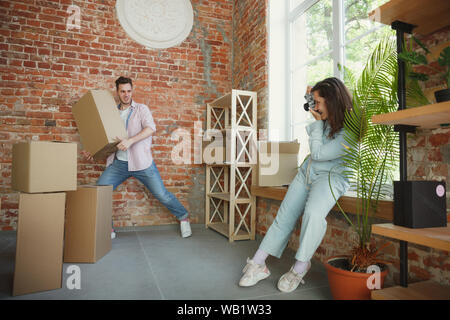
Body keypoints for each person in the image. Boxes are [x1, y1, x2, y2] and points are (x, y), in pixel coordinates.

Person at [238, 77, 353, 293]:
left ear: (332, 101)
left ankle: (300, 267)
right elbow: (315, 157)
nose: (314, 108)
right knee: (285, 214)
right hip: (307, 172)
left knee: (312, 213)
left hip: (331, 177)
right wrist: (311, 97)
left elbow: (319, 154)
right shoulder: (327, 115)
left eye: (318, 103)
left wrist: (318, 122)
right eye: (314, 102)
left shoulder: (351, 129)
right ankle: (258, 263)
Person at [81, 76, 192, 239]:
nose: (126, 94)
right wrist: (94, 152)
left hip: (142, 163)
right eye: (122, 91)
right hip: (119, 164)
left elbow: (150, 128)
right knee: (101, 191)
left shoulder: (141, 109)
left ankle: (183, 218)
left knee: (162, 194)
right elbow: (106, 138)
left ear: (132, 90)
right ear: (117, 92)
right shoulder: (112, 113)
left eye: (129, 91)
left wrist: (130, 140)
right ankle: (109, 229)